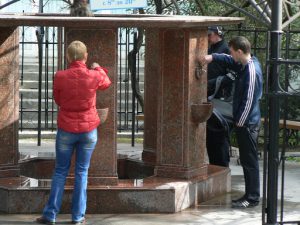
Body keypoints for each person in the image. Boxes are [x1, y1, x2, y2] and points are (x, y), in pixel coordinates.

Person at [36, 40, 111, 224]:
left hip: (66, 130)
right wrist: (98, 68)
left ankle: (50, 214)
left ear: (68, 56)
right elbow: (106, 83)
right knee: (81, 172)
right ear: (85, 56)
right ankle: (78, 217)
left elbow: (58, 99)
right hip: (88, 130)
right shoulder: (93, 76)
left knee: (60, 171)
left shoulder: (60, 76)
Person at [200, 36, 263, 208]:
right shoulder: (244, 63)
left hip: (248, 124)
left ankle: (252, 198)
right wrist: (212, 58)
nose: (231, 55)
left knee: (249, 161)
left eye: (233, 51)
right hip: (245, 122)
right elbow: (228, 60)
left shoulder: (251, 70)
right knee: (246, 160)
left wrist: (240, 122)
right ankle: (249, 196)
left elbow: (250, 100)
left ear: (240, 51)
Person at [206, 26, 233, 167]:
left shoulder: (226, 50)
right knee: (211, 139)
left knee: (219, 139)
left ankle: (222, 169)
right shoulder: (210, 49)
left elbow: (231, 76)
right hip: (210, 100)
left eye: (209, 35)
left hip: (221, 102)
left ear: (217, 34)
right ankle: (214, 168)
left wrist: (210, 84)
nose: (207, 38)